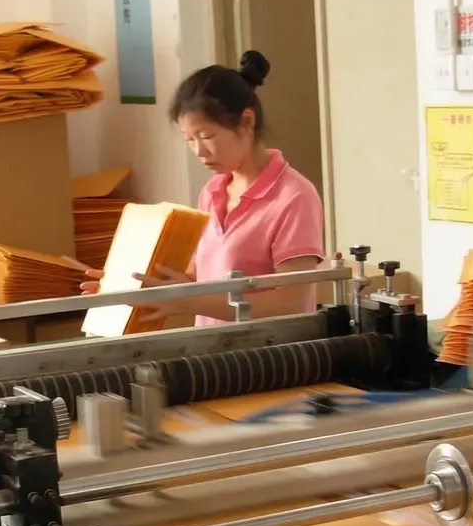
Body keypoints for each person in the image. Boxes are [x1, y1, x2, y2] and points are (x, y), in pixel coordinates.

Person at [81, 50, 326, 324]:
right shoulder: (212, 192)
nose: (199, 151)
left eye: (207, 136)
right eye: (189, 139)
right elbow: (198, 279)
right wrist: (125, 286)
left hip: (268, 359)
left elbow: (290, 302)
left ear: (247, 121)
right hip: (213, 355)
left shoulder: (294, 197)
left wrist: (184, 301)